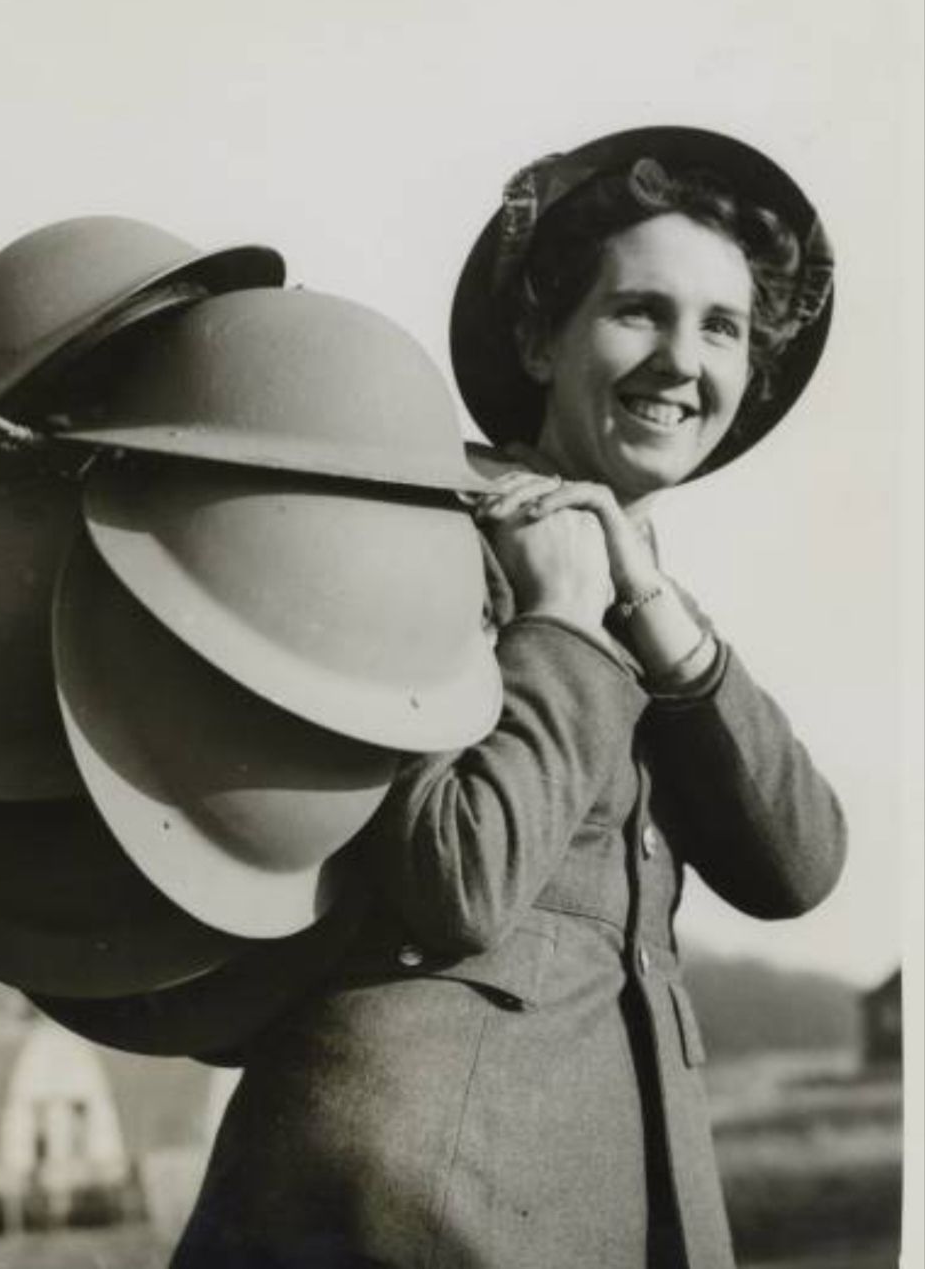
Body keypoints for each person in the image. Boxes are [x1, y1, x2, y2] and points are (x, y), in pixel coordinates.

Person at [169, 127, 848, 1269]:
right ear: (539, 338)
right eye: (639, 312)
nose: (683, 360)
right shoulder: (417, 542)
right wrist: (554, 625)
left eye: (721, 327)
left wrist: (660, 626)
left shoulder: (631, 597)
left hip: (582, 1198)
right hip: (403, 1206)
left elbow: (799, 866)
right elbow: (459, 880)